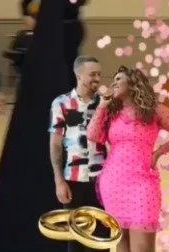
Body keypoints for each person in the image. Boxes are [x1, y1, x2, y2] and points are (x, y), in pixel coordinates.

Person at [0, 0, 79, 252]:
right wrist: (34, 15)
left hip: (66, 34)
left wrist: (65, 2)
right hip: (49, 36)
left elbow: (76, 3)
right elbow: (26, 3)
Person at [87, 67, 169, 252]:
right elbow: (93, 135)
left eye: (119, 78)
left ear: (133, 82)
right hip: (113, 183)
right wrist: (102, 106)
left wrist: (160, 151)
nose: (114, 83)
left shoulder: (154, 110)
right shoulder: (111, 113)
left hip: (142, 182)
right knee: (121, 248)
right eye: (114, 79)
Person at [48, 56, 107, 252]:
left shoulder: (104, 104)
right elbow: (55, 143)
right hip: (73, 179)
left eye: (99, 74)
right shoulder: (61, 103)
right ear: (78, 75)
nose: (97, 78)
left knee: (102, 240)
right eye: (92, 74)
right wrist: (59, 180)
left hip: (101, 181)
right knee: (75, 241)